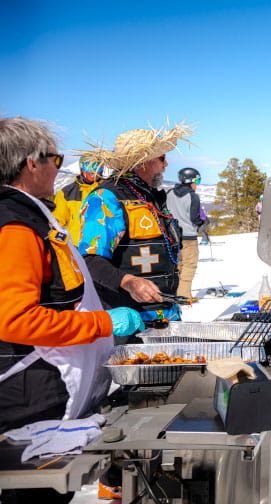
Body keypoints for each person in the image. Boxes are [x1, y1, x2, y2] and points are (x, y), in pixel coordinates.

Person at [0, 117, 143, 503]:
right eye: (55, 159)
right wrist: (103, 322)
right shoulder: (14, 228)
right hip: (29, 399)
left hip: (45, 391)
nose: (58, 168)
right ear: (32, 163)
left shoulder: (31, 215)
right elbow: (13, 319)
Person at [78, 123, 193, 328]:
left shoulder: (151, 197)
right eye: (162, 158)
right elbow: (89, 259)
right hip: (128, 319)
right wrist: (128, 282)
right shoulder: (107, 198)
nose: (165, 165)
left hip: (165, 314)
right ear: (143, 162)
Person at [166, 167, 206, 299]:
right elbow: (195, 218)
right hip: (188, 237)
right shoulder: (192, 196)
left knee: (177, 266)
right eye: (197, 181)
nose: (197, 185)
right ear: (190, 181)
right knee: (189, 265)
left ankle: (175, 293)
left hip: (172, 236)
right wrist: (203, 222)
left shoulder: (169, 193)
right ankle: (183, 295)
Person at [51, 156, 104, 241]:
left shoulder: (108, 190)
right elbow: (57, 222)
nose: (93, 171)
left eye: (98, 167)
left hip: (102, 244)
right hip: (76, 245)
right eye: (89, 166)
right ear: (81, 168)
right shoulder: (67, 193)